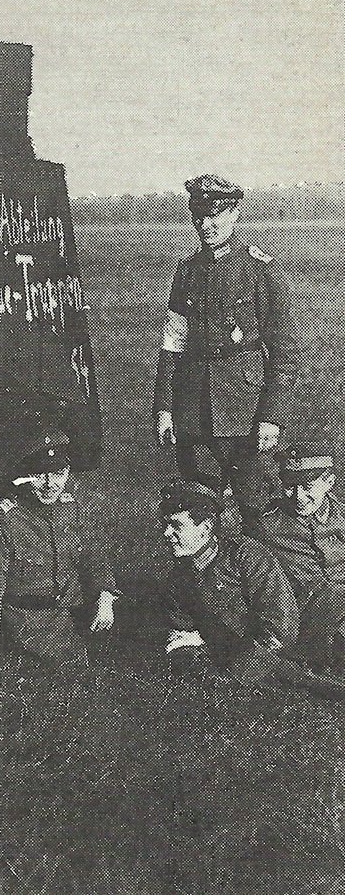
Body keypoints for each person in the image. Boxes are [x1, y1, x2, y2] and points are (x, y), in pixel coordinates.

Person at [154, 174, 298, 533]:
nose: (207, 225)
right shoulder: (187, 271)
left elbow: (285, 354)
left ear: (234, 213)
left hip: (243, 412)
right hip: (193, 414)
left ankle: (272, 584)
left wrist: (271, 416)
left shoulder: (258, 269)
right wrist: (165, 408)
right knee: (197, 511)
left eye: (216, 216)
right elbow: (173, 346)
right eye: (199, 216)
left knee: (259, 513)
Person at [0, 428, 118, 674]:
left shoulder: (72, 508)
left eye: (59, 473)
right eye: (39, 474)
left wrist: (105, 594)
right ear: (23, 474)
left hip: (66, 619)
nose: (50, 484)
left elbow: (93, 555)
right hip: (20, 625)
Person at [159, 479, 299, 681]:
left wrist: (232, 674)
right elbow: (179, 634)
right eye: (165, 524)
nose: (166, 534)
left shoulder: (246, 556)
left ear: (205, 529)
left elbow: (280, 627)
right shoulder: (179, 578)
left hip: (275, 656)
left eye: (176, 526)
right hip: (227, 658)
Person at [252, 444, 345, 668]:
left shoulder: (342, 514)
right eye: (289, 486)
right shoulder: (266, 524)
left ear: (329, 482)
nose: (298, 496)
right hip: (308, 618)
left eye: (307, 486)